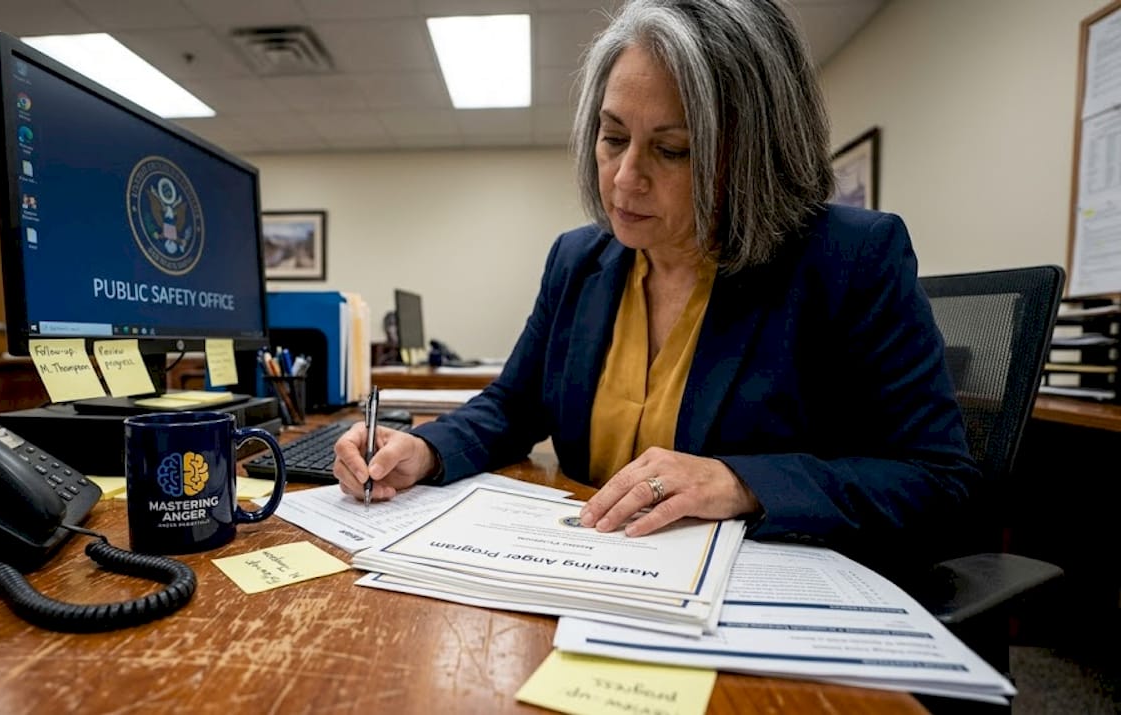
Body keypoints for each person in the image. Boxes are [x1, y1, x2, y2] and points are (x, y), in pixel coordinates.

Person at [333, 0, 978, 570]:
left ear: (754, 153)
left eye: (673, 150)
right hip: (588, 569)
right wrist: (424, 448)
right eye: (613, 137)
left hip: (749, 599)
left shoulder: (851, 259)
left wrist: (740, 484)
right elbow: (513, 405)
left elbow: (939, 482)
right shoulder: (577, 260)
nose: (623, 179)